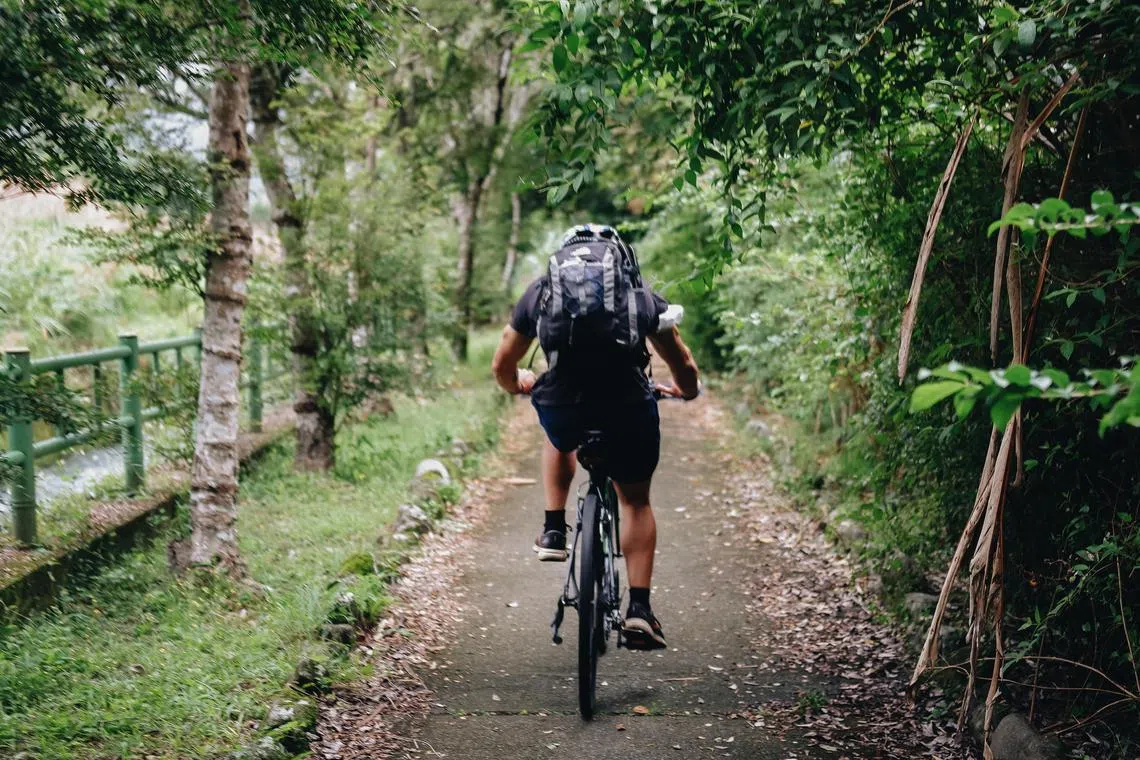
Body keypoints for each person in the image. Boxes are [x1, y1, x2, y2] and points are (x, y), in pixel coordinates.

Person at [491, 223, 700, 651]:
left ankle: (554, 529)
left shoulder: (540, 292)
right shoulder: (640, 295)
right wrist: (687, 390)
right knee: (635, 501)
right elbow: (681, 363)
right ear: (619, 259)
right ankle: (638, 611)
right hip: (627, 406)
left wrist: (519, 384)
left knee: (557, 432)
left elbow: (502, 364)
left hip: (565, 406)